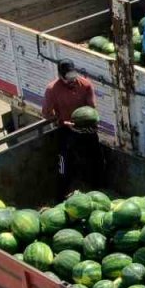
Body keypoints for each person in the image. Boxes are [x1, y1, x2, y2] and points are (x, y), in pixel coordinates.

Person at [41, 59, 96, 197]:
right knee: (65, 164)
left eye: (73, 76)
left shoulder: (86, 84)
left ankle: (97, 189)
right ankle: (61, 195)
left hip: (86, 128)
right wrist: (61, 121)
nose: (71, 81)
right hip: (66, 130)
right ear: (60, 76)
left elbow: (92, 108)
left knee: (95, 159)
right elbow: (47, 113)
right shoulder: (52, 89)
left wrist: (87, 120)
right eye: (67, 78)